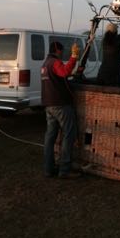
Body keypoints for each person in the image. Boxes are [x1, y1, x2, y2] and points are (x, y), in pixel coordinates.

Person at [40, 39, 82, 179]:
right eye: (62, 51)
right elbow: (64, 72)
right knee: (69, 134)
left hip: (48, 105)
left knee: (50, 136)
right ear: (57, 50)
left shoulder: (45, 64)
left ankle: (48, 168)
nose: (62, 54)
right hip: (60, 105)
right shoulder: (55, 62)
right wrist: (74, 57)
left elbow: (59, 77)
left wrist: (74, 72)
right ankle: (64, 169)